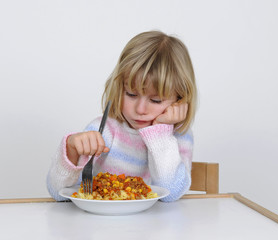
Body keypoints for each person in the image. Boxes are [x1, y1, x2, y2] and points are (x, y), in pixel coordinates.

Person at [47, 30, 198, 202]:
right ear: (119, 88)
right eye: (131, 95)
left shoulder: (178, 135)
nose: (140, 109)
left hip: (153, 226)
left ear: (180, 99)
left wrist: (161, 133)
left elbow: (170, 193)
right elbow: (58, 193)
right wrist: (72, 150)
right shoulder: (103, 130)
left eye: (155, 100)